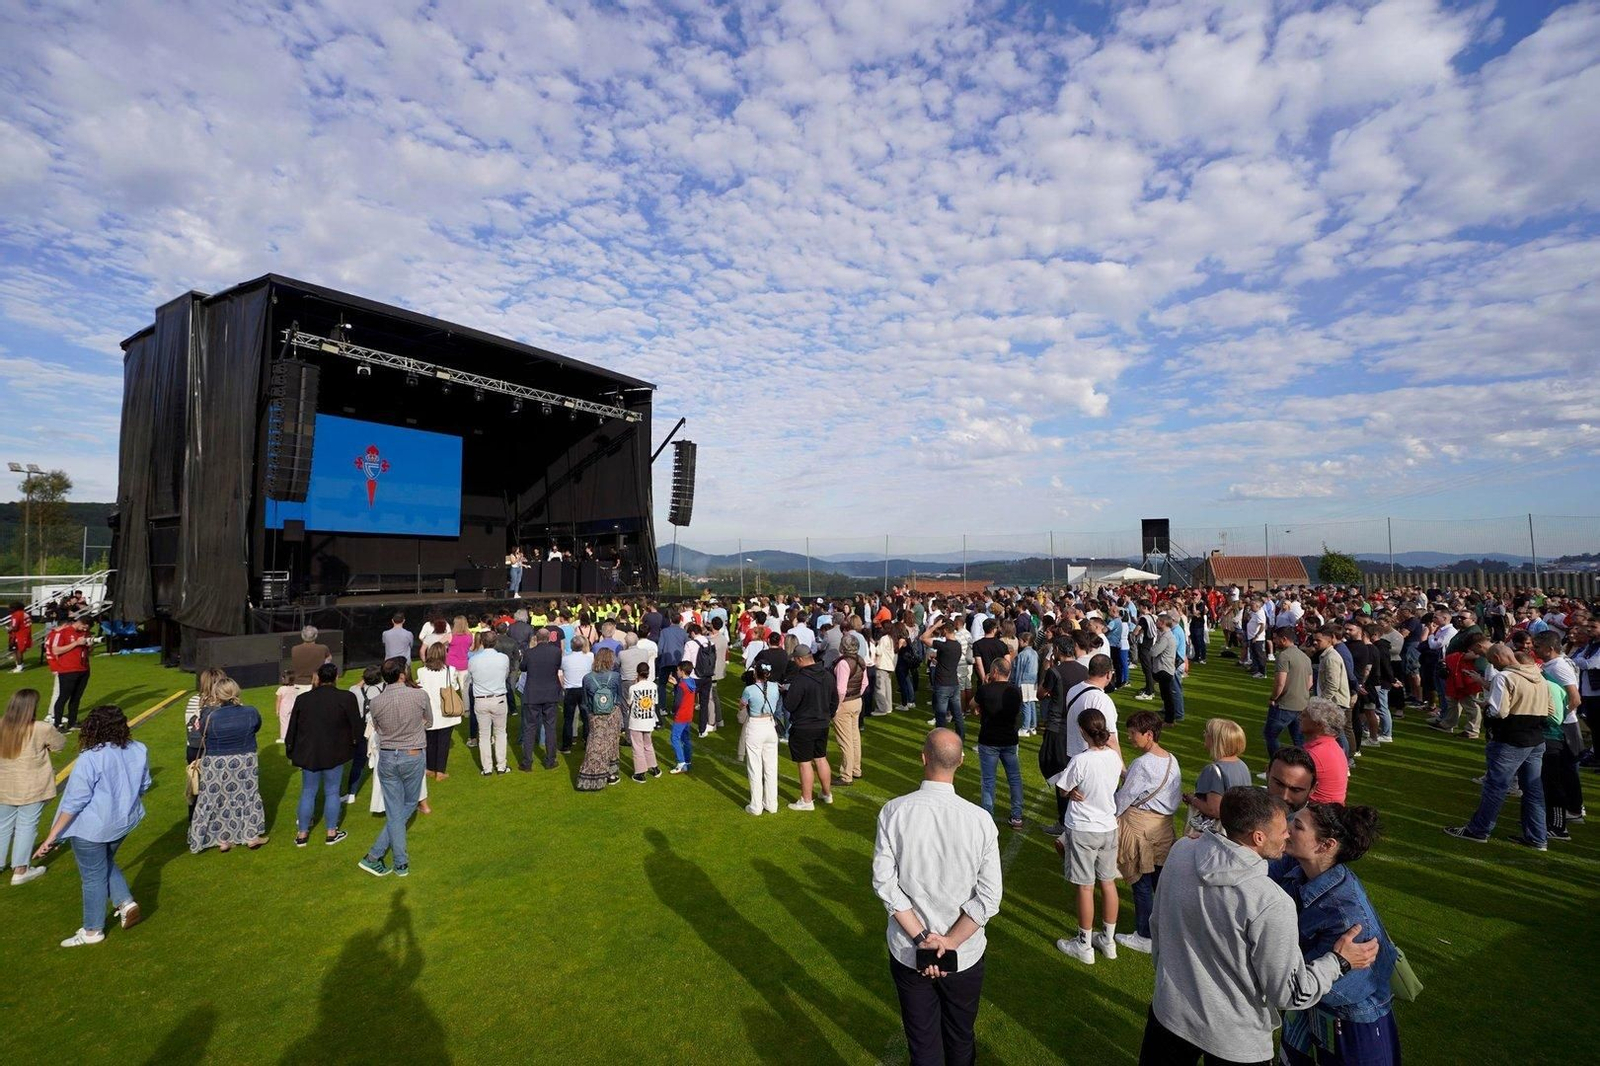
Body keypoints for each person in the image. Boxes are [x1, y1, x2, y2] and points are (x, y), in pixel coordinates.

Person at [1140, 787, 1380, 1065]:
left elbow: (1156, 925)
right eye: (1283, 829)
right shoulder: (1270, 901)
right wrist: (1339, 962)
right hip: (1236, 1041)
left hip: (1168, 1016)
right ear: (1258, 837)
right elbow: (1291, 994)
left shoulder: (1182, 850)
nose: (1288, 834)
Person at [871, 729, 1002, 1066]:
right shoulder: (980, 820)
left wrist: (924, 940)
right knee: (959, 1038)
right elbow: (989, 897)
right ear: (960, 762)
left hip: (911, 949)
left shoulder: (894, 811)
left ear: (923, 758)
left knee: (923, 1042)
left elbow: (884, 882)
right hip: (961, 953)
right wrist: (949, 942)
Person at [1275, 803, 1401, 1065]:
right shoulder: (1299, 871)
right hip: (1315, 1010)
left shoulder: (1346, 916)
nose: (1285, 829)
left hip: (1351, 1026)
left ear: (1326, 845)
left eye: (1297, 826)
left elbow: (1316, 990)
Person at [34, 705, 151, 946]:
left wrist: (52, 836)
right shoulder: (139, 749)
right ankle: (126, 902)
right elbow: (145, 784)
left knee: (92, 877)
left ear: (93, 727)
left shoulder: (90, 758)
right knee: (104, 864)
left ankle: (92, 931)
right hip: (123, 824)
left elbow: (74, 802)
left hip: (90, 830)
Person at [1445, 642, 1552, 849]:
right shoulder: (1539, 676)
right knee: (1533, 789)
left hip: (1510, 738)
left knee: (1496, 786)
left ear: (1498, 659)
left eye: (1493, 661)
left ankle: (1478, 830)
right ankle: (1538, 837)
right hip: (1536, 738)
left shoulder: (1505, 677)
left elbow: (1498, 712)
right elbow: (1550, 709)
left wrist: (1486, 708)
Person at [1051, 707, 1124, 965]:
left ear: (1083, 731)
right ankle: (1108, 940)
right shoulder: (1114, 757)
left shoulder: (1081, 760)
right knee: (1108, 883)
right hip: (1107, 827)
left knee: (1085, 886)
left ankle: (1084, 945)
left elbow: (1062, 789)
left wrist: (1070, 793)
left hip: (1083, 828)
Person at [1113, 710, 1180, 955]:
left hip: (1140, 827)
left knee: (1140, 881)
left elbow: (1125, 797)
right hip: (1164, 828)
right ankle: (1162, 928)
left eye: (1133, 734)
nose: (1130, 738)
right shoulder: (1172, 759)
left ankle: (1144, 935)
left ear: (1148, 735)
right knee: (1159, 883)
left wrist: (1112, 818)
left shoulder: (1142, 764)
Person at [358, 657, 431, 877]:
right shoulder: (419, 694)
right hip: (410, 754)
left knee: (396, 810)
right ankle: (380, 857)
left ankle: (393, 861)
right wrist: (412, 730)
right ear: (401, 674)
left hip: (389, 757)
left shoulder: (377, 701)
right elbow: (429, 721)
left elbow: (379, 728)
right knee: (406, 806)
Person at [285, 662, 361, 848]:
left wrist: (291, 749)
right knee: (332, 791)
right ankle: (331, 832)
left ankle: (302, 833)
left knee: (308, 791)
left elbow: (292, 728)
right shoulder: (346, 697)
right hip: (335, 752)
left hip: (309, 752)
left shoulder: (304, 699)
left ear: (318, 677)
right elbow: (356, 727)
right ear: (336, 677)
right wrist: (356, 745)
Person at [187, 679, 268, 853]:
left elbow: (202, 733)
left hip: (216, 760)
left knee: (215, 799)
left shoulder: (210, 716)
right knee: (248, 795)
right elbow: (256, 727)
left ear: (217, 695)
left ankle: (223, 839)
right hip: (244, 758)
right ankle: (251, 835)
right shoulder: (251, 712)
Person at [0, 689, 64, 885]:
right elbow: (59, 745)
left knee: (2, 826)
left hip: (5, 786)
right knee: (27, 826)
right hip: (32, 787)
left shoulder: (2, 725)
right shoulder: (42, 728)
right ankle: (20, 870)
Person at [784, 645, 837, 810]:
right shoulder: (828, 675)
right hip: (822, 724)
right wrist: (828, 714)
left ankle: (806, 800)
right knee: (821, 758)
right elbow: (834, 700)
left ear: (800, 659)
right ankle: (826, 793)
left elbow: (790, 705)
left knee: (805, 762)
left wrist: (786, 693)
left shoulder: (801, 679)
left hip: (804, 726)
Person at [974, 657, 1024, 829]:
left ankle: (988, 816)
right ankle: (1017, 816)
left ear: (994, 672)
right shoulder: (1016, 690)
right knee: (1014, 779)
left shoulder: (985, 690)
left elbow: (972, 704)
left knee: (989, 779)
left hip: (989, 740)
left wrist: (985, 684)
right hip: (1010, 739)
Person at [1183, 718, 1251, 836]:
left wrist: (1192, 799)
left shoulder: (1212, 771)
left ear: (1216, 740)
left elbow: (1214, 810)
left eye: (1207, 733)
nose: (1204, 734)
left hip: (1214, 834)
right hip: (1236, 830)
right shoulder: (1242, 765)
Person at [415, 642, 464, 780]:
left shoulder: (421, 671)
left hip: (428, 711)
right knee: (444, 741)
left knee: (430, 741)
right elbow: (454, 687)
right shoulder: (450, 670)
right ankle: (440, 771)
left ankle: (430, 768)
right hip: (445, 711)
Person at [576, 647, 623, 791]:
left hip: (595, 715)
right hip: (612, 713)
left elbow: (584, 702)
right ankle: (611, 773)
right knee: (611, 742)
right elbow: (619, 697)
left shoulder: (588, 678)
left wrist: (591, 713)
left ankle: (592, 775)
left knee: (595, 743)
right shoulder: (615, 677)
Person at [739, 663, 782, 815]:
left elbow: (741, 706)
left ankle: (756, 806)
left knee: (755, 768)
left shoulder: (749, 689)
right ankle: (771, 804)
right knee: (771, 768)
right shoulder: (775, 686)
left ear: (755, 674)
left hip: (756, 726)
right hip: (770, 726)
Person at [520, 629, 563, 771]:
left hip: (533, 694)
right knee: (550, 727)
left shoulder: (530, 653)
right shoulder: (556, 652)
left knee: (530, 728)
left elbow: (523, 667)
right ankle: (550, 760)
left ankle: (527, 763)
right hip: (550, 693)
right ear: (549, 638)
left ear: (537, 638)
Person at [1266, 627, 1312, 757]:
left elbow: (1280, 682)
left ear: (1284, 639)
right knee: (1299, 740)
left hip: (1284, 705)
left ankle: (1275, 764)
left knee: (1271, 735)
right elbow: (1310, 683)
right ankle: (1303, 766)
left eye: (1276, 638)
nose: (1274, 641)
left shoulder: (1284, 656)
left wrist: (1273, 698)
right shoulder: (1305, 657)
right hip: (1302, 704)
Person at [45, 615, 92, 731]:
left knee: (76, 698)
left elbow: (88, 651)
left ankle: (72, 722)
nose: (85, 630)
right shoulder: (63, 632)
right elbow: (55, 650)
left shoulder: (86, 633)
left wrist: (90, 646)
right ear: (81, 623)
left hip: (84, 669)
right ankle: (58, 724)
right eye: (85, 627)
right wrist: (76, 643)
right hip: (68, 670)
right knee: (63, 697)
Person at [1300, 698, 1350, 805]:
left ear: (1319, 725)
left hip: (1317, 812)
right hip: (1333, 810)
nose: (1299, 718)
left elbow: (1292, 787)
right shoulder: (1334, 747)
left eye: (1304, 716)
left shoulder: (1315, 754)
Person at [344, 665, 383, 803]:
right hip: (381, 728)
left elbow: (353, 687)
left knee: (359, 762)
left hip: (363, 730)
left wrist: (363, 680)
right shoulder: (385, 688)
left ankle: (351, 793)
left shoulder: (356, 690)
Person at [833, 633, 866, 785]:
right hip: (857, 700)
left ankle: (846, 775)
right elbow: (865, 683)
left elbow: (840, 688)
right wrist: (858, 695)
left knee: (845, 740)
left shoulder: (843, 663)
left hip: (845, 702)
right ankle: (855, 769)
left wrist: (837, 705)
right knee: (854, 737)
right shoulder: (860, 660)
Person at [625, 661, 662, 782]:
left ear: (637, 673)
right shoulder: (653, 686)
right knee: (648, 744)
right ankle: (654, 767)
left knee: (637, 747)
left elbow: (629, 702)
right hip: (649, 720)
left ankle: (640, 773)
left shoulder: (633, 688)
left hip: (636, 721)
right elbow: (654, 702)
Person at [559, 635, 594, 753]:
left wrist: (563, 685)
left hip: (570, 690)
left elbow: (560, 673)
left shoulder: (565, 659)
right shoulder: (589, 657)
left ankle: (566, 745)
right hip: (583, 689)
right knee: (586, 717)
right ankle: (587, 741)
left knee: (568, 718)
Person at [1264, 746, 1318, 813]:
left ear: (1313, 789)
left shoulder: (1317, 822)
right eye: (1279, 784)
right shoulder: (1250, 806)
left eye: (1296, 790)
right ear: (1267, 773)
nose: (1284, 797)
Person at [667, 662, 696, 774]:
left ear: (682, 671)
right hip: (689, 715)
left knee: (674, 738)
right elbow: (685, 693)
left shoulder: (682, 685)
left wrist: (673, 710)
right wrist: (676, 685)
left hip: (681, 715)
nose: (677, 672)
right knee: (685, 738)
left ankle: (681, 762)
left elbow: (678, 702)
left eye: (678, 670)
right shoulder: (691, 682)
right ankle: (687, 761)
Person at [289, 625, 332, 689]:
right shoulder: (323, 648)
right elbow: (329, 659)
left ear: (302, 636)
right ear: (315, 636)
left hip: (298, 684)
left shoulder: (294, 649)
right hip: (316, 683)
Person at [6, 601, 33, 672]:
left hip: (19, 635)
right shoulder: (25, 613)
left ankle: (19, 667)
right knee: (19, 651)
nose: (9, 609)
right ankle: (21, 665)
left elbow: (14, 627)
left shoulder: (16, 615)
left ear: (14, 608)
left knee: (17, 651)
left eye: (11, 608)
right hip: (26, 634)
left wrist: (9, 629)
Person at [273, 669, 298, 744]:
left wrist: (277, 710)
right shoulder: (295, 688)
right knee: (292, 722)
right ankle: (294, 735)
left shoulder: (281, 689)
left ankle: (284, 737)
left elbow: (278, 700)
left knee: (284, 722)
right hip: (293, 706)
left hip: (284, 708)